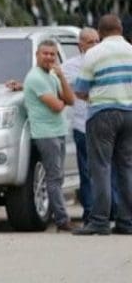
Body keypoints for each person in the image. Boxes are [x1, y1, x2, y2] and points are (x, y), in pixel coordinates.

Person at [73, 14, 132, 235]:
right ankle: (127, 222)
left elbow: (80, 89)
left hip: (102, 114)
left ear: (100, 32)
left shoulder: (94, 53)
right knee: (126, 168)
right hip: (129, 114)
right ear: (120, 29)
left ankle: (99, 221)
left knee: (100, 167)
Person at [22, 39, 76, 231]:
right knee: (53, 178)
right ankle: (62, 220)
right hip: (45, 133)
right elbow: (56, 106)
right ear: (37, 55)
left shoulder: (53, 76)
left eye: (52, 54)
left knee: (57, 177)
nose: (49, 57)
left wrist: (61, 77)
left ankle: (59, 215)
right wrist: (62, 102)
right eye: (45, 53)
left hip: (58, 131)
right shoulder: (35, 77)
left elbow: (70, 99)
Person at [62, 27, 100, 223]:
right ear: (81, 46)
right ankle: (90, 211)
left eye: (97, 41)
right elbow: (53, 83)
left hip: (104, 125)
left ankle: (113, 211)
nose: (94, 45)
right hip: (82, 125)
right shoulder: (69, 66)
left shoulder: (105, 63)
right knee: (86, 172)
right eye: (90, 42)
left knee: (109, 171)